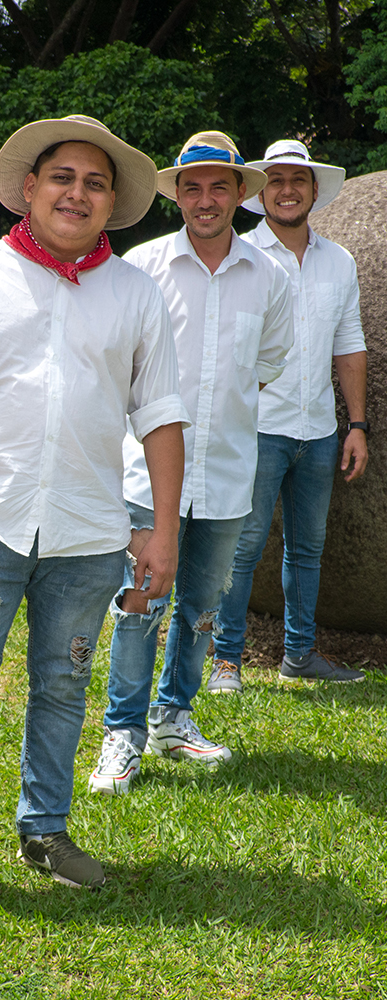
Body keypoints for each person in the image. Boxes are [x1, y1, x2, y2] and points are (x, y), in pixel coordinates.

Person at [0, 114, 188, 909]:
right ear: (29, 188)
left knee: (63, 685)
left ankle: (46, 830)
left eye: (96, 183)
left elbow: (160, 414)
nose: (78, 192)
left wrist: (160, 529)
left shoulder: (134, 291)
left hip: (89, 533)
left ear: (112, 202)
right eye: (63, 177)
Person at [90, 132, 293, 797]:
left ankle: (173, 716)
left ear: (241, 194)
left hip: (229, 473)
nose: (205, 199)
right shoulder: (140, 267)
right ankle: (122, 732)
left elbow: (267, 367)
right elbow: (115, 364)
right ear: (175, 193)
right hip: (148, 477)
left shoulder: (271, 276)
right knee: (141, 601)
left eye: (219, 186)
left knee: (203, 606)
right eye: (192, 186)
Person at [210, 139, 368, 689]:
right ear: (260, 192)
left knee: (308, 549)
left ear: (314, 190)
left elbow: (349, 343)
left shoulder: (339, 261)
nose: (287, 189)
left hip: (321, 430)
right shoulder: (241, 257)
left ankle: (299, 654)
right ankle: (226, 659)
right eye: (275, 179)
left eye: (297, 180)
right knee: (244, 545)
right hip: (256, 429)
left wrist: (357, 425)